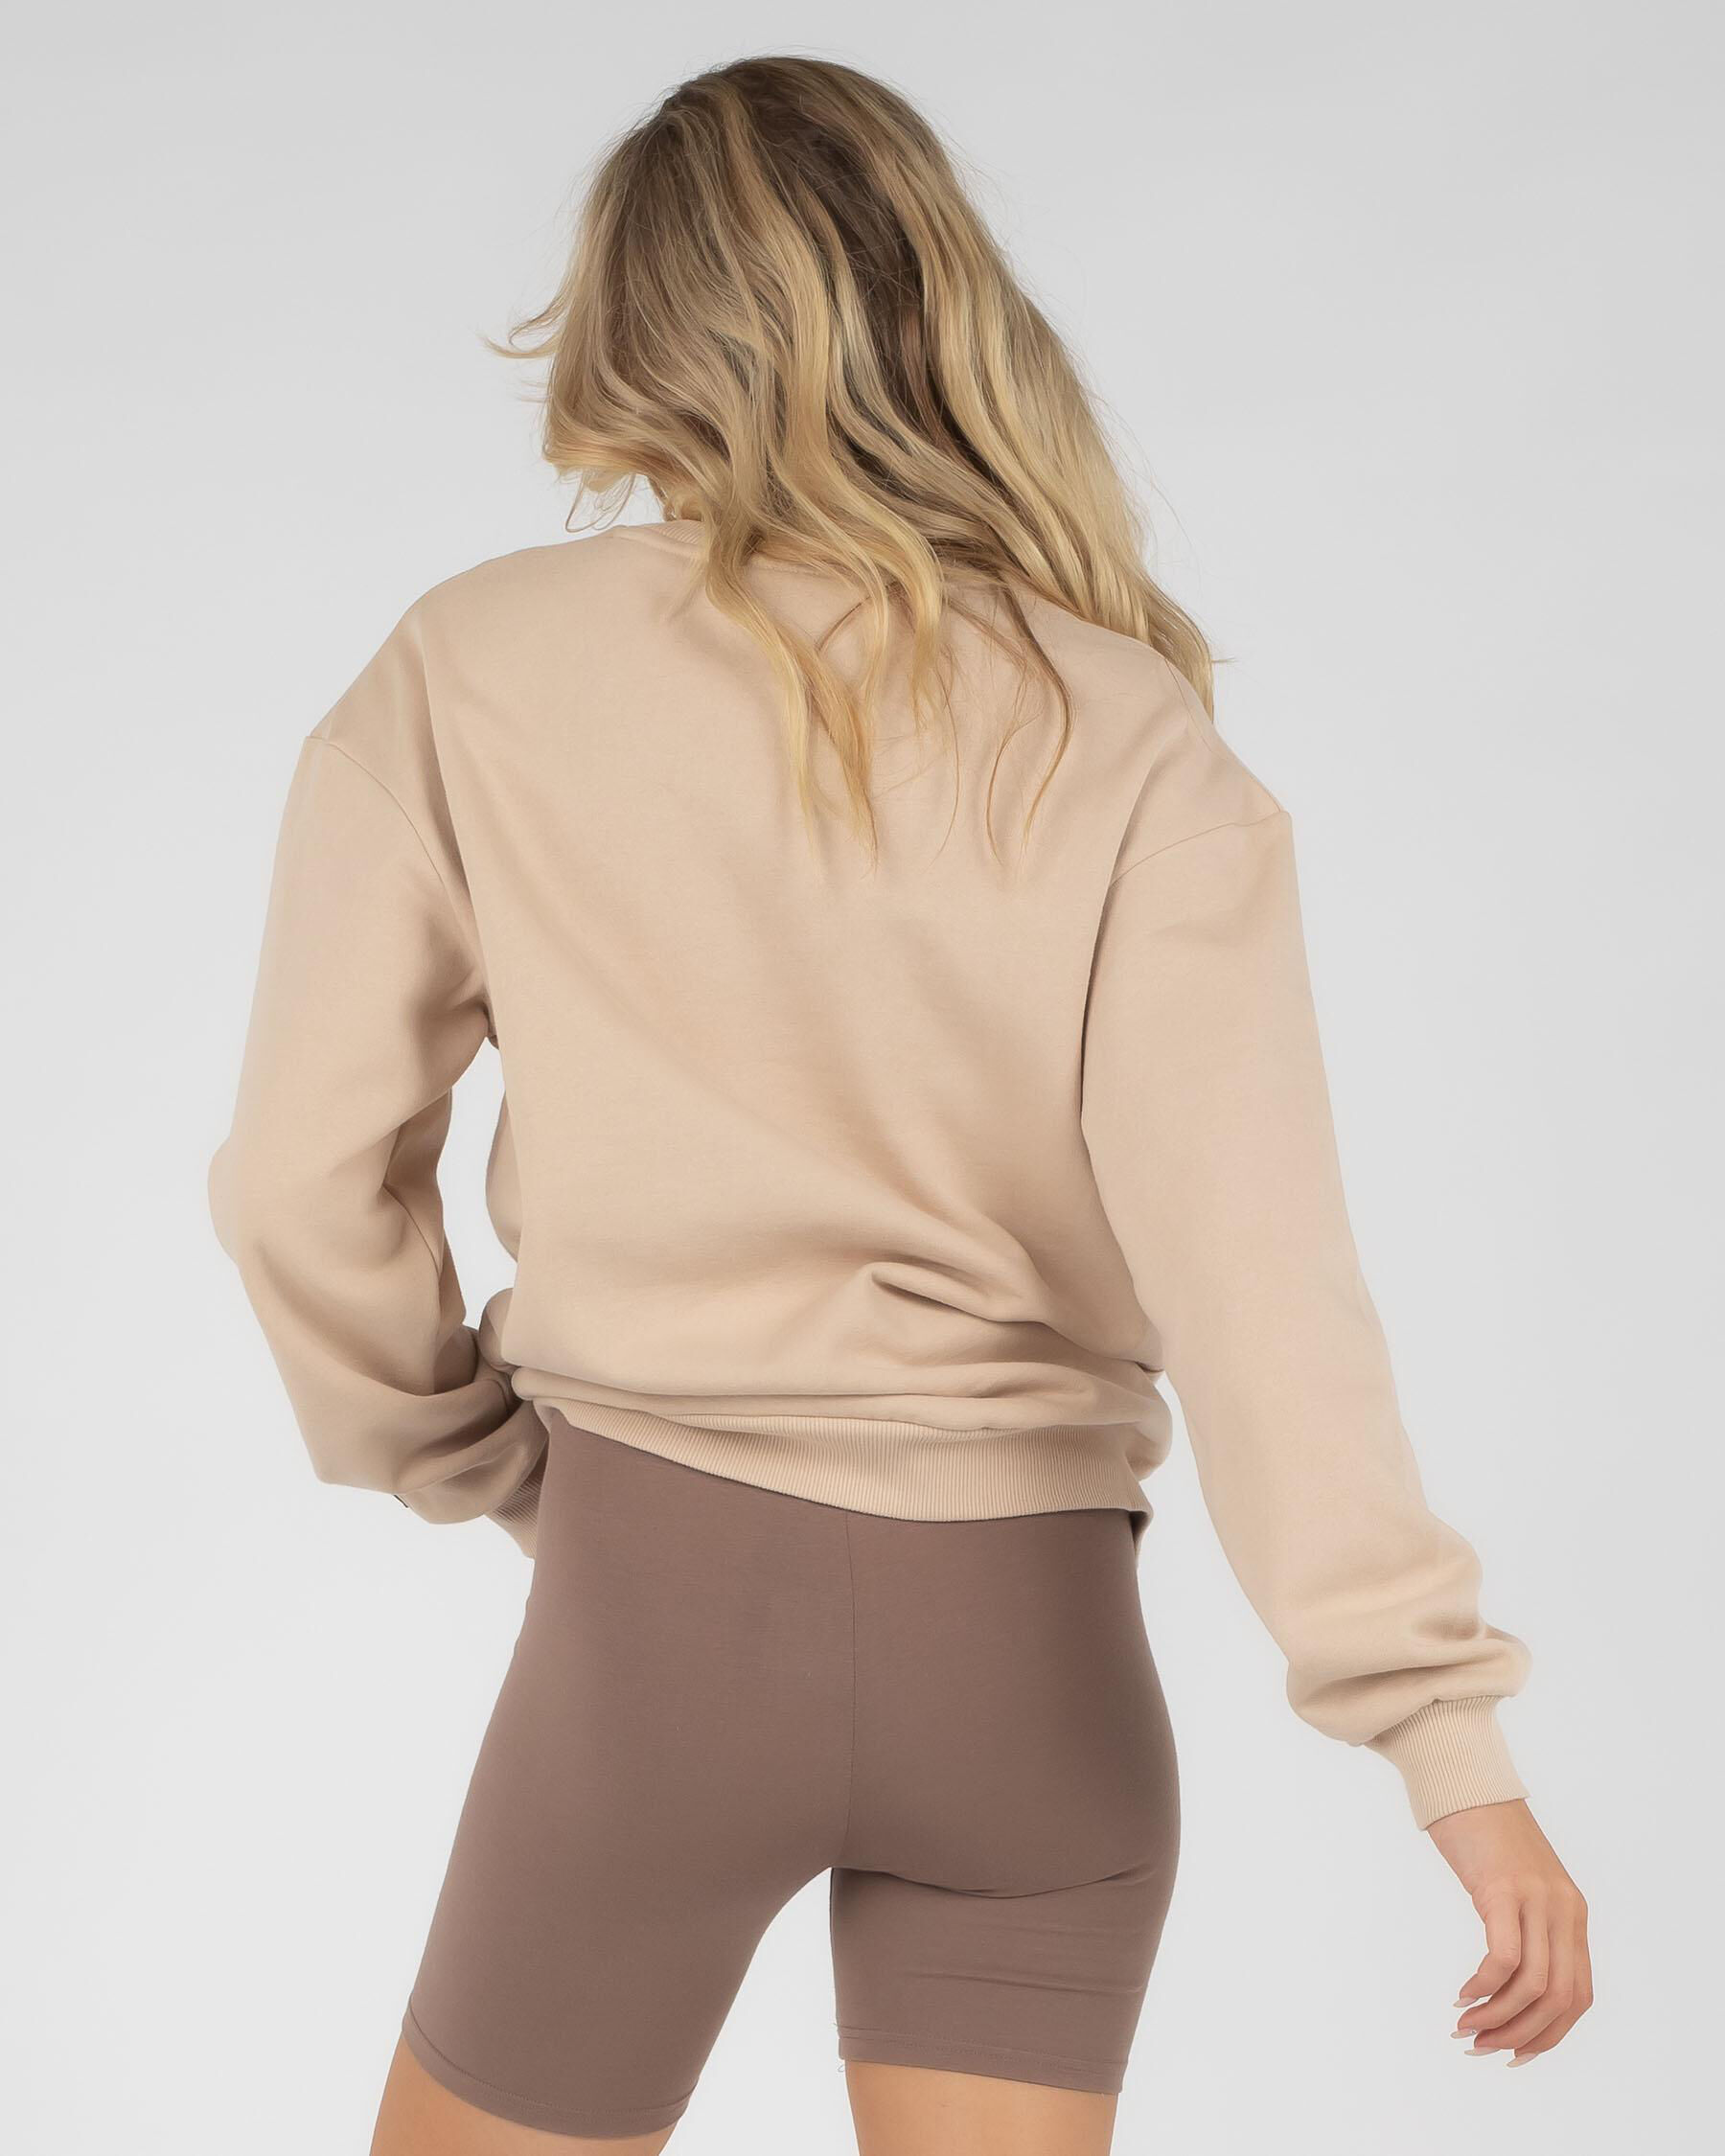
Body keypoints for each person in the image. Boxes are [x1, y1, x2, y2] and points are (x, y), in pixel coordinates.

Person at [209, 54, 1590, 2156]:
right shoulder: (1127, 730)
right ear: (941, 302)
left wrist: (469, 1455)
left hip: (653, 1644)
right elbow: (1264, 1288)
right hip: (1036, 1676)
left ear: (632, 325)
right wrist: (1449, 1750)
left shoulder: (471, 671)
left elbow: (299, 1180)